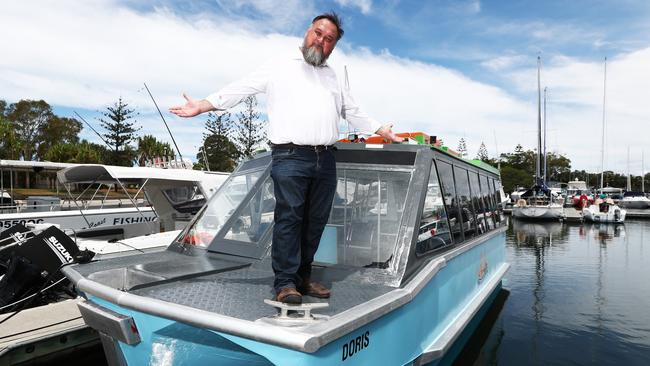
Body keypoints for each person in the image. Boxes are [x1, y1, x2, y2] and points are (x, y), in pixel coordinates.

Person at [169, 12, 402, 304]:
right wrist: (204, 105)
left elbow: (353, 111)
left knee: (315, 221)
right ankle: (285, 283)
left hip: (326, 158)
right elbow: (241, 88)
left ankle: (303, 278)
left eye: (329, 39)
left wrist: (381, 130)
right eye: (318, 33)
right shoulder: (280, 65)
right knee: (289, 218)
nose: (322, 41)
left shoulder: (333, 75)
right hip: (291, 156)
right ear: (308, 32)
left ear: (333, 46)